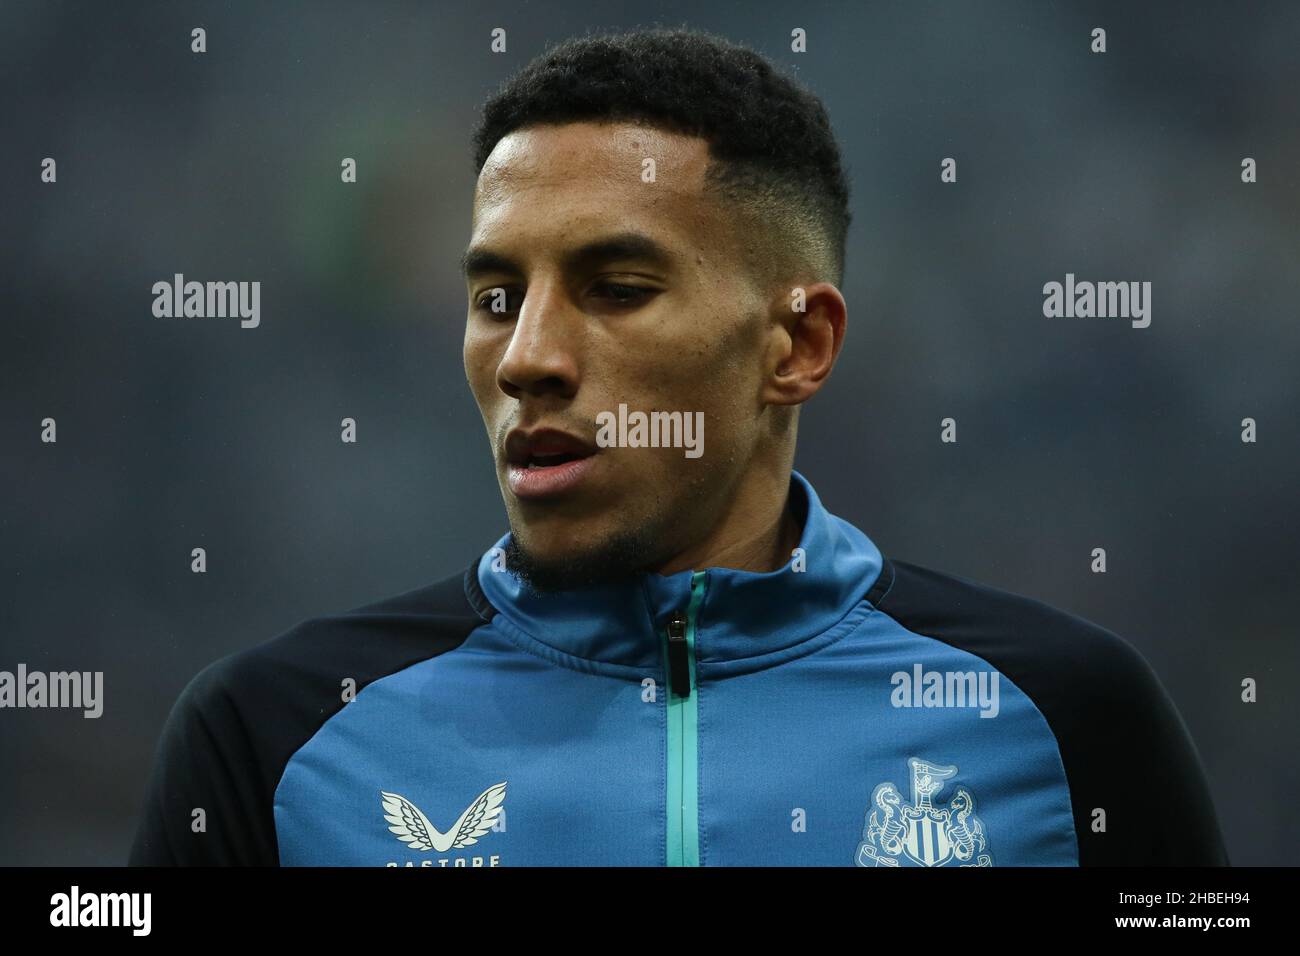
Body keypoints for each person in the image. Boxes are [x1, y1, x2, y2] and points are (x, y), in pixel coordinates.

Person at [129, 28, 1227, 867]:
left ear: (796, 343)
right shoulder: (273, 740)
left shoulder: (1063, 718)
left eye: (616, 289)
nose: (527, 357)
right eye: (497, 295)